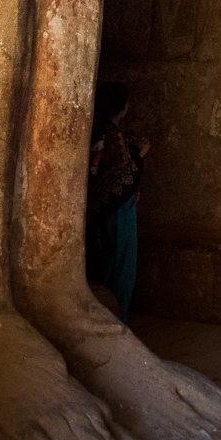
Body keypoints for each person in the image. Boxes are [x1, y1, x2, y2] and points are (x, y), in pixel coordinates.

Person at [86, 81, 150, 322]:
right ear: (122, 108)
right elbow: (123, 173)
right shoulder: (112, 136)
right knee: (122, 266)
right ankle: (117, 318)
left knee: (106, 263)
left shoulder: (100, 132)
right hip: (119, 209)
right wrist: (141, 155)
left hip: (101, 210)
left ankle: (104, 316)